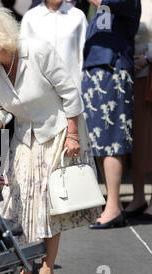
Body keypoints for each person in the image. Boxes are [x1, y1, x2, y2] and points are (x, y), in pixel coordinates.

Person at [0, 5, 100, 274]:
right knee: (17, 204)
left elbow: (69, 92)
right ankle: (25, 265)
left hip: (59, 131)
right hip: (25, 135)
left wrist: (74, 135)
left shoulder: (37, 50)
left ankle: (46, 270)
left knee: (46, 207)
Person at [81, 0, 141, 229]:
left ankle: (114, 206)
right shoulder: (99, 15)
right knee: (99, 142)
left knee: (111, 139)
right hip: (95, 70)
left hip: (111, 70)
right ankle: (112, 204)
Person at [20, 0, 87, 91]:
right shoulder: (30, 17)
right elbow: (23, 54)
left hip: (72, 86)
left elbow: (84, 53)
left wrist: (82, 82)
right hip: (40, 87)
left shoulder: (78, 16)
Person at [124, 0, 152, 217]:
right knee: (135, 139)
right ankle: (138, 196)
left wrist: (147, 57)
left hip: (147, 74)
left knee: (147, 138)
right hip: (126, 75)